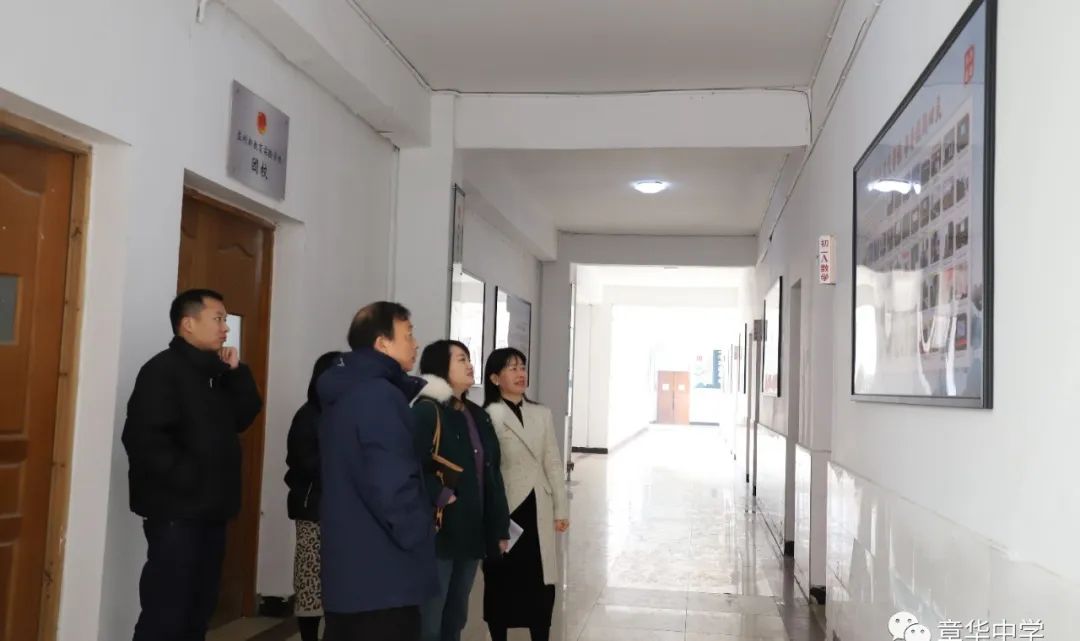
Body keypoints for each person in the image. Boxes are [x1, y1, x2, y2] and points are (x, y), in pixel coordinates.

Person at [122, 289, 263, 641]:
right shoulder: (162, 371)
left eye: (225, 320)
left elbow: (244, 416)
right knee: (166, 610)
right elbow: (144, 440)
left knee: (199, 607)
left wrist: (236, 373)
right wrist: (189, 479)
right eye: (218, 319)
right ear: (188, 324)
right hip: (177, 511)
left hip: (211, 509)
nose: (225, 328)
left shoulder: (214, 374)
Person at [318, 302, 439, 641]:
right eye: (408, 335)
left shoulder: (347, 390)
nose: (415, 343)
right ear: (382, 343)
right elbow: (391, 482)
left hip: (352, 569)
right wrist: (419, 531)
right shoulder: (379, 396)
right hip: (383, 573)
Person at [412, 341, 510, 641]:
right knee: (430, 619)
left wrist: (499, 527)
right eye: (461, 359)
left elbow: (492, 475)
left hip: (471, 530)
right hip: (439, 532)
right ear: (441, 367)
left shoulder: (477, 414)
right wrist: (442, 494)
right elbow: (410, 464)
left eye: (469, 359)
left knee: (456, 615)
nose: (469, 365)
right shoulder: (427, 411)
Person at [481, 348, 569, 641]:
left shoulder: (542, 413)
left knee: (540, 583)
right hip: (506, 509)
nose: (521, 374)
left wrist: (561, 508)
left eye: (522, 367)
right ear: (495, 378)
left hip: (538, 506)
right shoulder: (487, 416)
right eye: (512, 368)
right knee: (501, 580)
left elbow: (552, 462)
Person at [285, 350, 343, 641]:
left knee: (340, 583)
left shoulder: (348, 413)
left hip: (345, 510)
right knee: (311, 583)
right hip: (313, 508)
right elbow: (301, 461)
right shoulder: (308, 415)